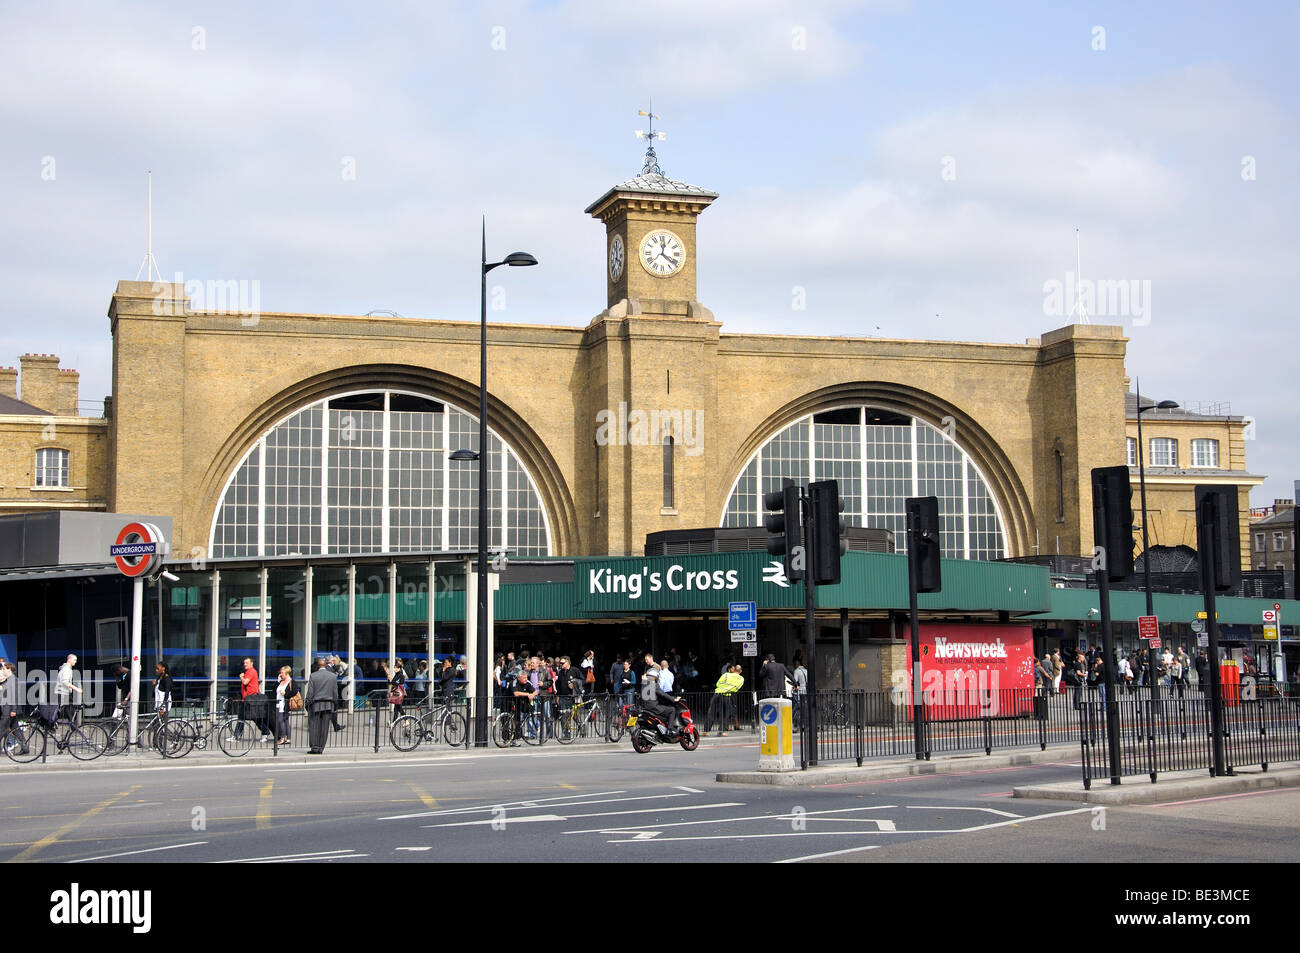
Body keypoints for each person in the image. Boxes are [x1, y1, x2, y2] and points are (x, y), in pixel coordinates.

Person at [305, 657, 339, 754]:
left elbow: (310, 692)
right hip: (328, 704)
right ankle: (321, 747)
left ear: (318, 666)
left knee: (314, 725)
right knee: (324, 727)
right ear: (325, 665)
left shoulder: (313, 676)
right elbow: (335, 692)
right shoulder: (332, 676)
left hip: (316, 704)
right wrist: (335, 704)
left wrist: (307, 703)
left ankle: (314, 747)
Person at [704, 664, 744, 736]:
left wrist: (723, 687)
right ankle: (721, 731)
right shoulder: (741, 679)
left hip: (717, 694)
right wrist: (728, 689)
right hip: (727, 695)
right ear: (740, 671)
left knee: (711, 713)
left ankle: (706, 731)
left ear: (734, 670)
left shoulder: (726, 675)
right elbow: (736, 688)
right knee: (725, 714)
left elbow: (718, 684)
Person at [638, 668, 679, 734]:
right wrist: (673, 699)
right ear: (655, 677)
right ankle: (669, 729)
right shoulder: (655, 685)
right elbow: (663, 694)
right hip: (654, 707)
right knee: (672, 710)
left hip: (645, 707)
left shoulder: (643, 684)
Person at [238, 658, 268, 741]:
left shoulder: (251, 671)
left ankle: (265, 733)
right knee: (242, 717)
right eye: (244, 663)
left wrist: (241, 677)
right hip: (246, 699)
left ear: (251, 663)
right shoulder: (248, 672)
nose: (245, 664)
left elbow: (245, 682)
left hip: (251, 699)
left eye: (247, 662)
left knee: (255, 718)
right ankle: (237, 735)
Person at [55, 654, 83, 723]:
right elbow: (65, 682)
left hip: (64, 693)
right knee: (66, 712)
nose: (75, 662)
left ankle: (74, 729)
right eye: (74, 660)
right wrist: (77, 689)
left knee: (70, 713)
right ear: (69, 659)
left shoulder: (67, 668)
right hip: (63, 693)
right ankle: (48, 725)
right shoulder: (66, 669)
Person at [275, 666, 296, 745]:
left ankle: (283, 737)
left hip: (285, 704)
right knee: (285, 721)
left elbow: (295, 691)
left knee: (281, 720)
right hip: (279, 703)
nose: (281, 674)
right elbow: (275, 690)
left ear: (287, 673)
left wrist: (286, 694)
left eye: (282, 673)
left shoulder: (291, 681)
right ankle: (288, 738)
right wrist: (278, 681)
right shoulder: (281, 681)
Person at [153, 662, 173, 727]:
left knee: (161, 724)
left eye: (158, 668)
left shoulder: (166, 678)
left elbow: (167, 693)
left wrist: (163, 707)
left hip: (163, 704)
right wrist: (155, 684)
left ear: (163, 668)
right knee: (157, 724)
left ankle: (164, 736)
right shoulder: (159, 677)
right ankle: (159, 736)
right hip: (158, 703)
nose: (156, 670)